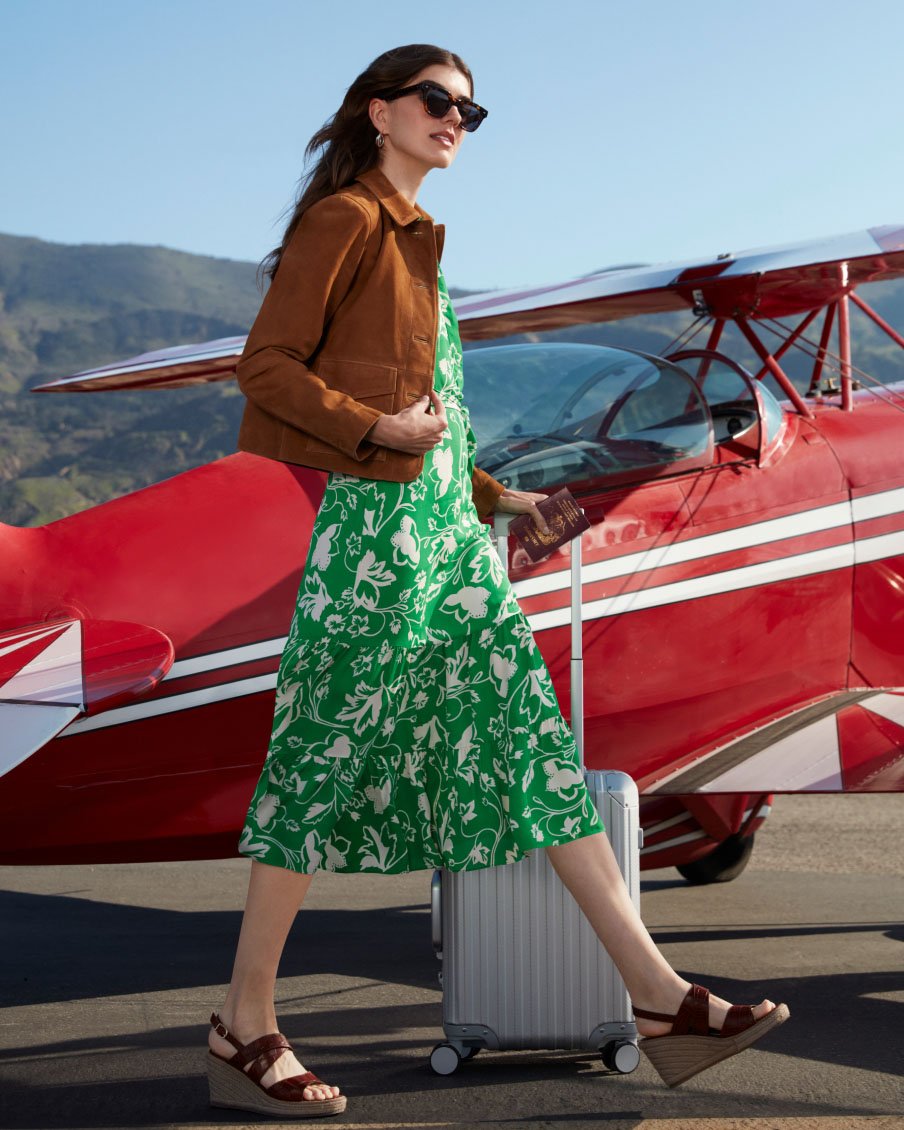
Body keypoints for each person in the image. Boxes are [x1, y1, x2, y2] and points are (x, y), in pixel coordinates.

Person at [206, 43, 789, 1119]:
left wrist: (497, 496)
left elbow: (434, 421)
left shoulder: (423, 241)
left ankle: (656, 996)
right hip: (376, 540)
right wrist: (376, 426)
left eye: (473, 112)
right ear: (379, 111)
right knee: (321, 759)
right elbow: (268, 366)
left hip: (444, 537)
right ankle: (245, 1019)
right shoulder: (346, 220)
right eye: (438, 103)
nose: (456, 122)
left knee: (531, 750)